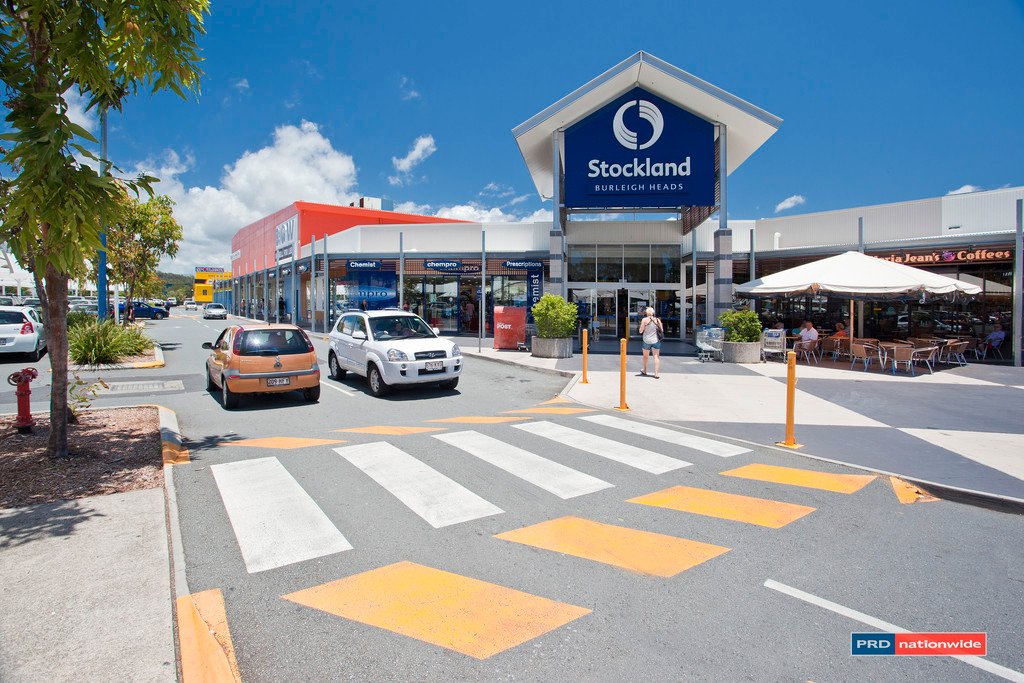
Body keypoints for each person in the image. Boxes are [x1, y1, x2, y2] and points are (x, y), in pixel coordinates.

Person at [637, 306, 663, 379]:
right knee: (656, 356)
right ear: (653, 312)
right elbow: (662, 330)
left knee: (645, 356)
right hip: (656, 340)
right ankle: (656, 373)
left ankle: (644, 370)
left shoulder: (644, 320)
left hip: (647, 340)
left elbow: (640, 331)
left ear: (647, 313)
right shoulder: (657, 320)